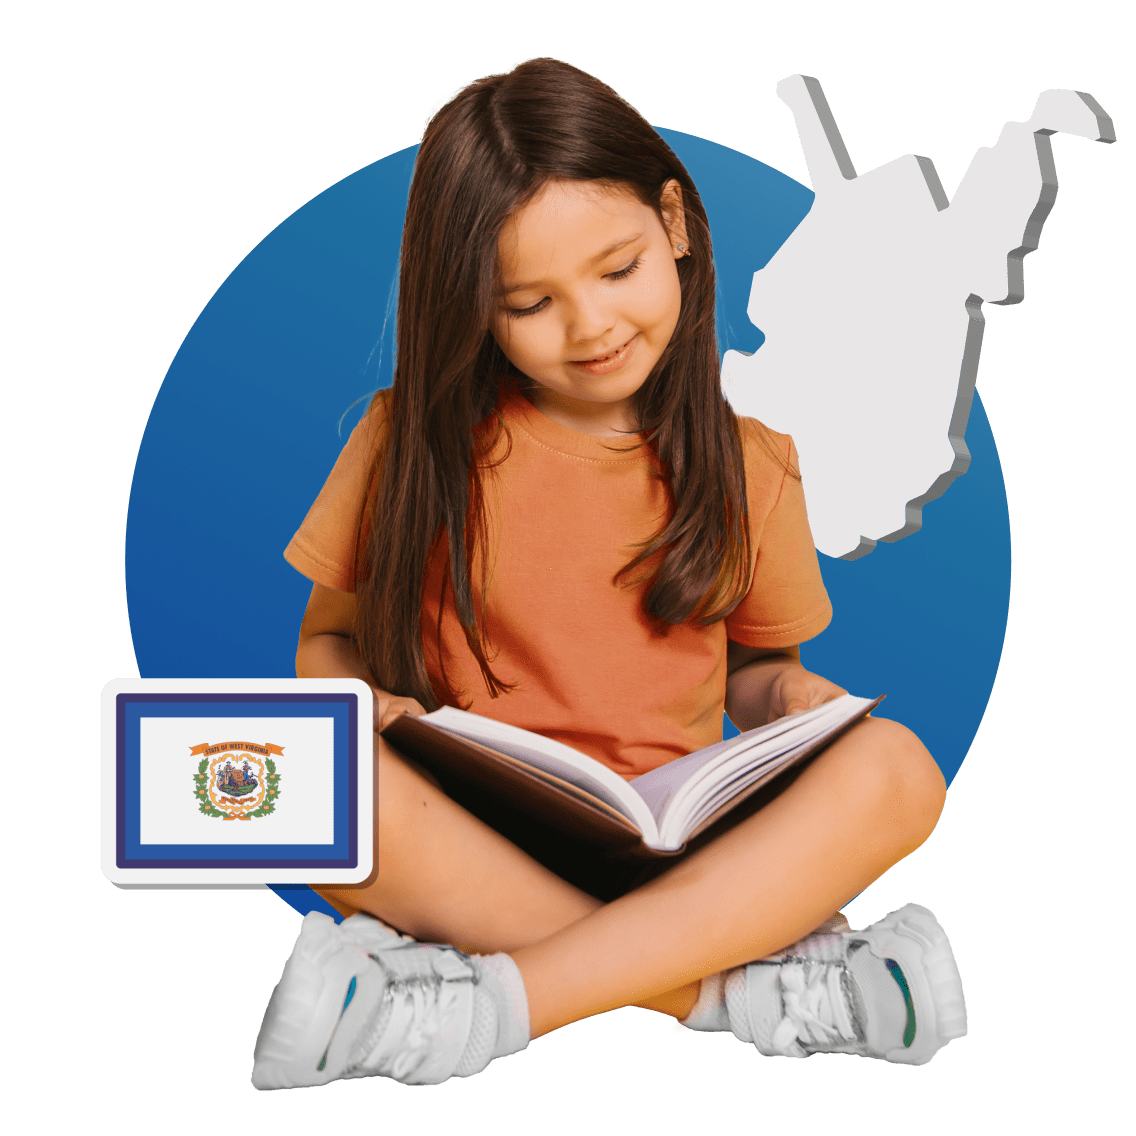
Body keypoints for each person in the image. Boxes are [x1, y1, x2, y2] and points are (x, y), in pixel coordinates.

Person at [251, 57, 965, 1091]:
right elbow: (328, 638)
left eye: (618, 270)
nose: (590, 328)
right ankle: (737, 990)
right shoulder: (407, 441)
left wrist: (792, 699)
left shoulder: (752, 464)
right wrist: (359, 708)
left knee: (897, 767)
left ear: (674, 224)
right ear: (472, 305)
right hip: (472, 834)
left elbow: (755, 673)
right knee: (306, 793)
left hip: (684, 841)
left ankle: (482, 1001)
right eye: (529, 302)